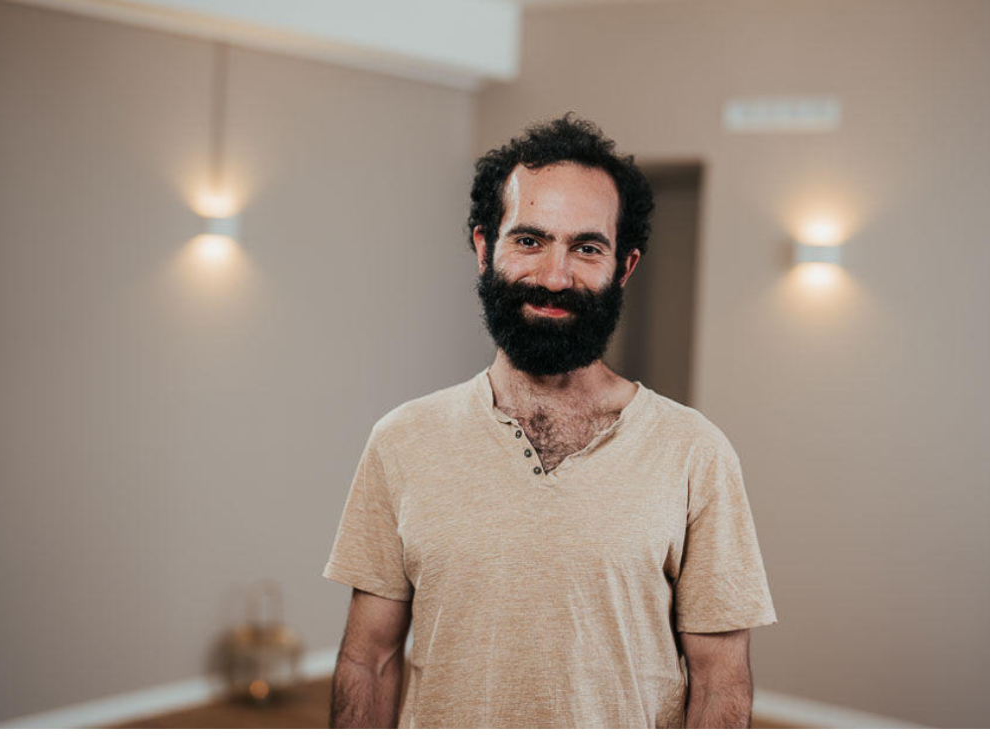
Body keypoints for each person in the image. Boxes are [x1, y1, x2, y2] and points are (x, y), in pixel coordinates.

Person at [322, 114, 777, 728]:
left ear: (624, 267)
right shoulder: (401, 441)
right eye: (530, 241)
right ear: (484, 248)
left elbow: (721, 682)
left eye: (587, 248)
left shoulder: (695, 452)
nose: (555, 277)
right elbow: (368, 661)